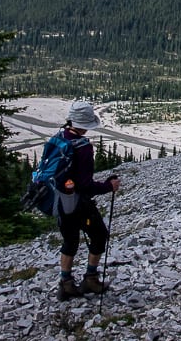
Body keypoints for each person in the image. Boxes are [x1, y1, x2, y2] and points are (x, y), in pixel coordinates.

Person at [55, 100, 121, 301]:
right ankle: (90, 278)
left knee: (70, 240)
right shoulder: (83, 148)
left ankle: (65, 283)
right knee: (100, 235)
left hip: (61, 200)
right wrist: (109, 186)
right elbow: (85, 185)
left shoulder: (59, 138)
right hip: (79, 202)